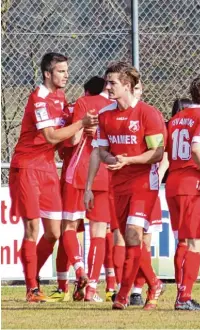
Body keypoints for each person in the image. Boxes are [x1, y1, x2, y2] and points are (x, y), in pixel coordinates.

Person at [9, 52, 98, 303]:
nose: (66, 75)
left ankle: (32, 276)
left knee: (54, 233)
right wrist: (80, 124)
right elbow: (49, 136)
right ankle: (32, 289)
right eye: (60, 71)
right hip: (27, 166)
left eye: (67, 71)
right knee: (32, 228)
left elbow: (65, 139)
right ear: (47, 73)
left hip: (48, 167)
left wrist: (81, 131)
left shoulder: (60, 97)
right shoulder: (39, 98)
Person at [96, 62, 166, 310]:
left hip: (144, 182)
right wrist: (111, 160)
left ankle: (123, 294)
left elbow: (157, 153)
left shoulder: (148, 113)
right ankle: (155, 283)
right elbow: (102, 151)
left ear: (127, 85)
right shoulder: (105, 116)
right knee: (130, 239)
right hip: (118, 184)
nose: (108, 86)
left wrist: (130, 160)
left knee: (133, 234)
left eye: (112, 82)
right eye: (107, 82)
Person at [56, 76, 116, 302]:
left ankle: (78, 271)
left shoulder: (83, 103)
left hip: (79, 172)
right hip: (106, 174)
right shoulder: (120, 108)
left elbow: (72, 141)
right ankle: (94, 286)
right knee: (100, 232)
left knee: (69, 226)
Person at [166, 75, 200, 311]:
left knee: (183, 241)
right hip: (192, 184)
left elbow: (166, 152)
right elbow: (197, 146)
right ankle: (184, 298)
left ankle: (181, 294)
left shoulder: (176, 119)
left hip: (173, 182)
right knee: (196, 242)